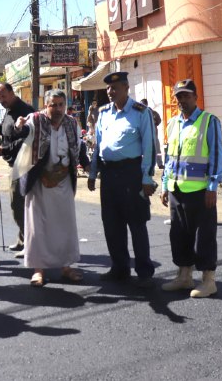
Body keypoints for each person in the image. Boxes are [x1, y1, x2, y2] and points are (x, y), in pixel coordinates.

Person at [88, 72, 157, 287]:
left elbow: (150, 146)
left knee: (136, 223)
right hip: (108, 175)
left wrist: (147, 177)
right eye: (108, 88)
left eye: (115, 88)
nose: (110, 92)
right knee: (111, 224)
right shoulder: (104, 113)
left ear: (126, 88)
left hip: (131, 174)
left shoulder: (140, 112)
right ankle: (119, 267)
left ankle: (144, 270)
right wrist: (93, 173)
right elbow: (98, 145)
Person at [160, 78, 222, 298]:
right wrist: (165, 184)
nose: (182, 100)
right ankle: (184, 276)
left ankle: (208, 280)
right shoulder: (173, 123)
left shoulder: (209, 121)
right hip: (177, 189)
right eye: (179, 96)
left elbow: (216, 155)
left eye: (187, 95)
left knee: (205, 236)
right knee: (179, 234)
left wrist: (212, 186)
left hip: (201, 191)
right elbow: (170, 158)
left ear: (196, 97)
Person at [13, 89, 82, 287]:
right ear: (46, 105)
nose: (58, 109)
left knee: (65, 225)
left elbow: (78, 148)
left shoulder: (71, 123)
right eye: (53, 105)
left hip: (63, 180)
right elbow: (20, 132)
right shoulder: (36, 120)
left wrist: (86, 166)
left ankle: (66, 267)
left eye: (61, 105)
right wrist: (19, 127)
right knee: (38, 227)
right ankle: (38, 270)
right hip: (39, 182)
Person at [0, 82, 35, 256]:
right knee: (20, 205)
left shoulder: (25, 111)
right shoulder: (8, 111)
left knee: (17, 205)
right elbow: (6, 134)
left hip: (25, 164)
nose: (1, 100)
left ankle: (30, 244)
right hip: (14, 164)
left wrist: (5, 150)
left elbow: (27, 139)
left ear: (11, 92)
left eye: (3, 96)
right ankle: (23, 239)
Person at [141, 99, 164, 169]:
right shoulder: (139, 113)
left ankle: (160, 164)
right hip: (144, 136)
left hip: (154, 135)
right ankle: (145, 165)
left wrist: (154, 122)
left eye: (143, 104)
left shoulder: (153, 112)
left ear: (146, 104)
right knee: (144, 151)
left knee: (157, 150)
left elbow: (159, 120)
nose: (142, 106)